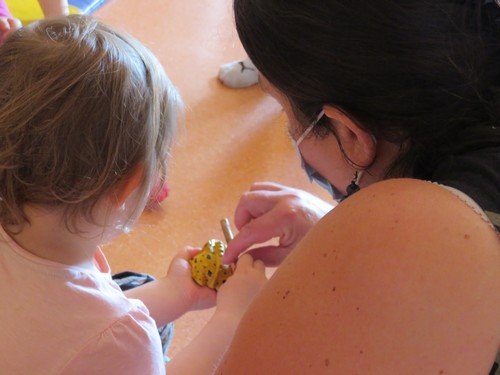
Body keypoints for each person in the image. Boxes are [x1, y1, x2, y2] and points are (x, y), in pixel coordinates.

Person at [215, 1, 500, 374]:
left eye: (284, 108)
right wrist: (335, 231)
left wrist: (233, 319)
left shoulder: (419, 233)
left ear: (350, 134)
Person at [0, 15, 266, 374]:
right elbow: (104, 335)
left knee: (139, 288)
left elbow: (74, 330)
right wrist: (233, 320)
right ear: (128, 185)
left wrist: (176, 294)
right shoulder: (126, 339)